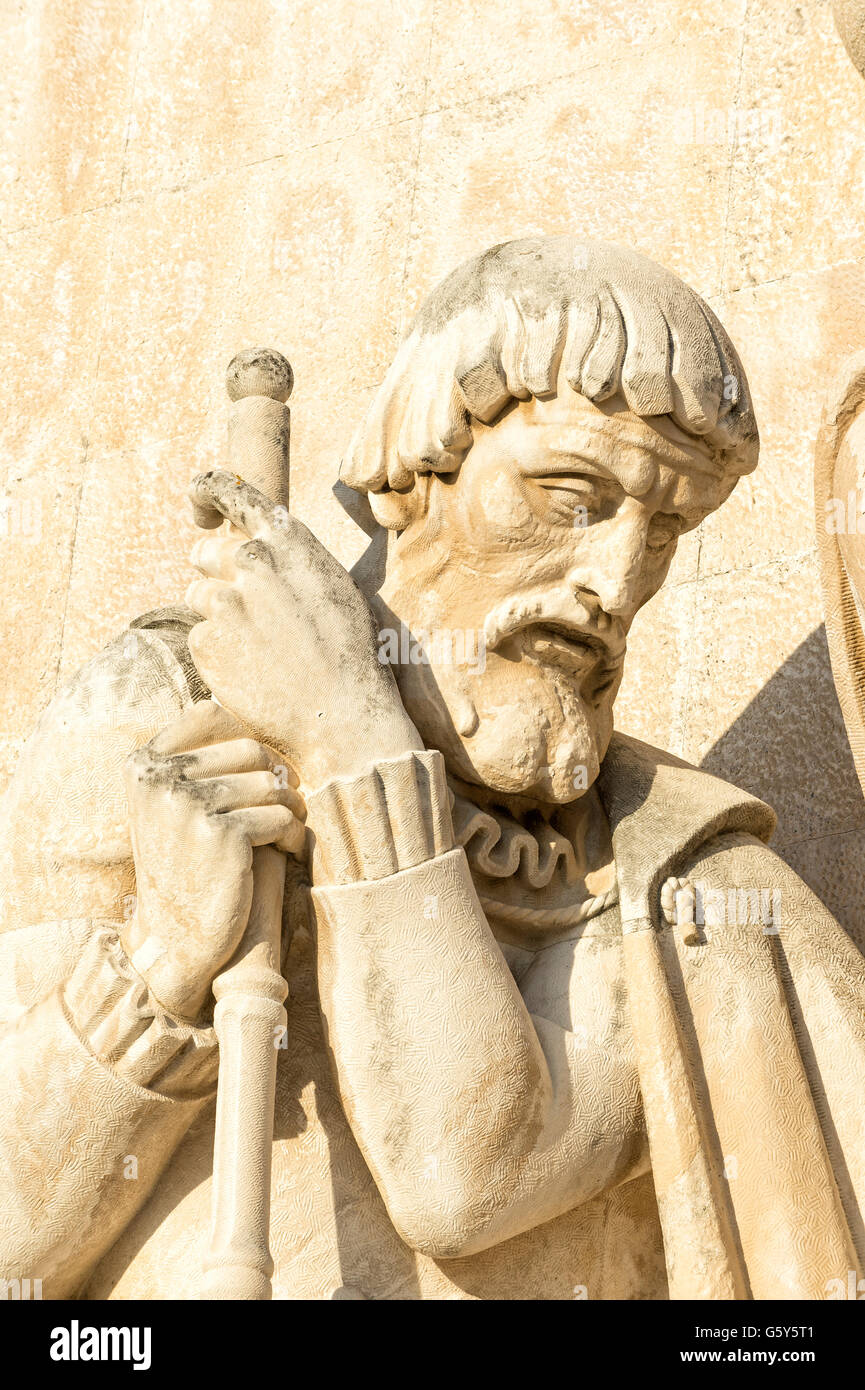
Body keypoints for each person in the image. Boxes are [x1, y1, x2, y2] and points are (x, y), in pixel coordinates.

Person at [2, 237, 863, 1300]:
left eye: (665, 530)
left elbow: (463, 1172)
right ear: (419, 475)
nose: (617, 581)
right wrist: (157, 970)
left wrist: (351, 738)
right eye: (572, 496)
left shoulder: (681, 887)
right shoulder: (165, 703)